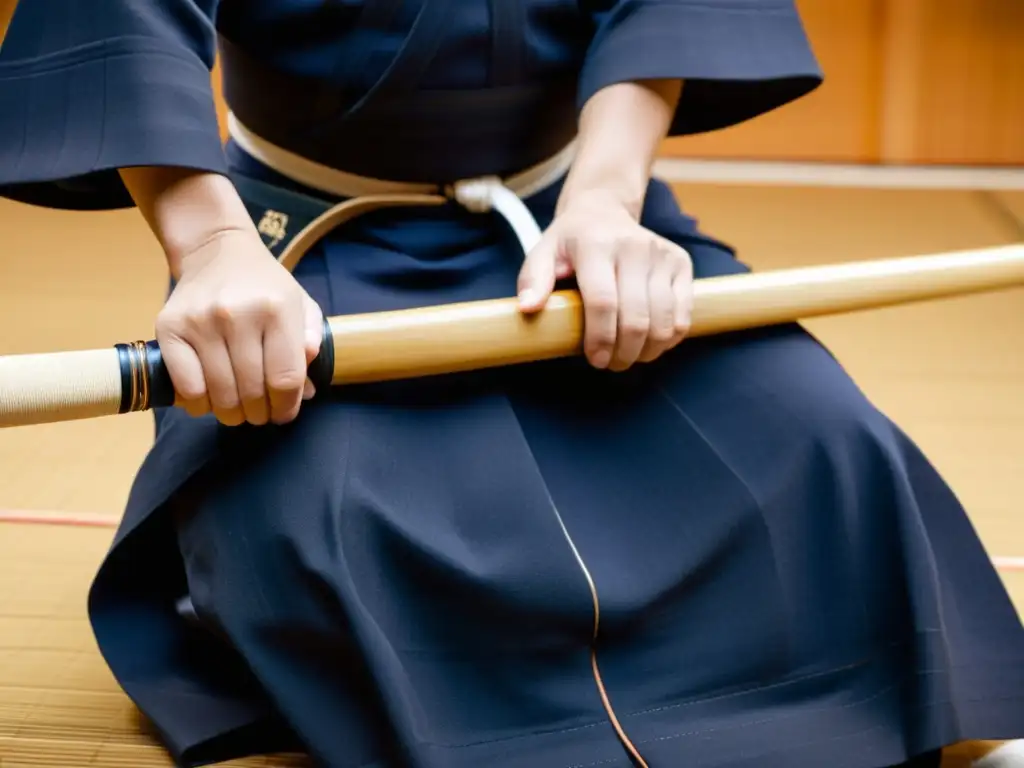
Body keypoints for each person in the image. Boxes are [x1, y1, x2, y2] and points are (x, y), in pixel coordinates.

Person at [1, 1, 1022, 766]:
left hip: (585, 226)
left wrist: (609, 197)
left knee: (824, 444)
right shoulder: (244, 254)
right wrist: (214, 245)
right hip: (289, 251)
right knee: (327, 523)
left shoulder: (601, 208)